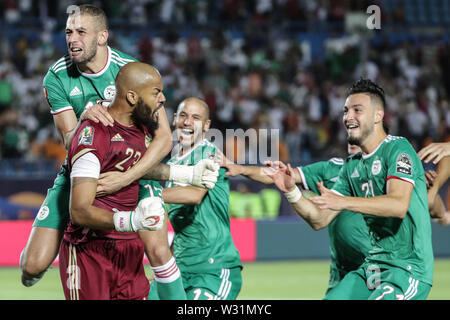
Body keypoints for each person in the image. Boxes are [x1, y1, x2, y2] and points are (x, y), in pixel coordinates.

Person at [20, 5, 179, 297]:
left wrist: (124, 178)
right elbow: (69, 142)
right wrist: (84, 118)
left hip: (132, 169)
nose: (72, 39)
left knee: (158, 251)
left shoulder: (130, 72)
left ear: (102, 36)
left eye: (81, 31)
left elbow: (165, 139)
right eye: (68, 32)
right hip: (82, 170)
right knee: (32, 267)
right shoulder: (56, 76)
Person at [267, 79, 433, 300]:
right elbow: (319, 219)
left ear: (378, 116)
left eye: (357, 110)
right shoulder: (352, 166)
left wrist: (344, 202)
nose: (348, 117)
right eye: (346, 111)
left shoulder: (398, 149)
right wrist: (291, 191)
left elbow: (398, 205)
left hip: (407, 270)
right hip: (372, 269)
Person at [60, 62, 167, 300]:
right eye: (156, 92)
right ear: (131, 96)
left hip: (129, 249)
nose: (163, 99)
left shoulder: (141, 130)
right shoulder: (94, 133)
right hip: (90, 248)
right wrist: (132, 219)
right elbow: (79, 211)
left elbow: (136, 168)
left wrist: (186, 175)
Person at [222, 143, 371, 294]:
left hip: (376, 267)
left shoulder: (387, 169)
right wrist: (241, 169)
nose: (352, 140)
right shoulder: (334, 169)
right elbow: (279, 175)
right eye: (350, 133)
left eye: (358, 130)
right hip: (342, 273)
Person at [145, 97, 243, 300]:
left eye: (195, 118)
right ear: (174, 120)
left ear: (207, 125)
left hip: (213, 269)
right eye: (183, 115)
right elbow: (179, 229)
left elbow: (194, 194)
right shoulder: (171, 164)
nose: (187, 122)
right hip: (180, 271)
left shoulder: (209, 153)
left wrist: (150, 195)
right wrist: (165, 269)